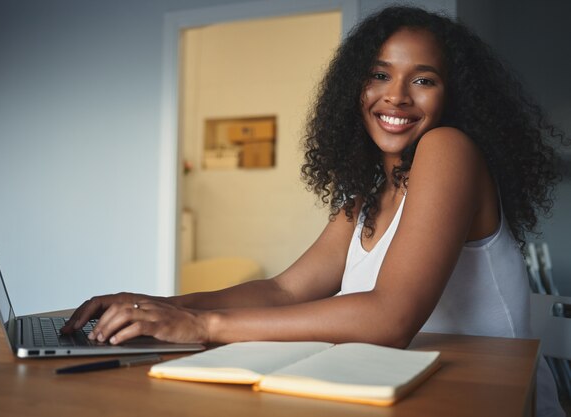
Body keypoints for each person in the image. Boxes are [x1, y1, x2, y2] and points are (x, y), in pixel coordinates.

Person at [62, 6, 565, 416]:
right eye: (379, 74)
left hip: (487, 399)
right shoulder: (369, 199)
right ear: (356, 87)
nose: (395, 95)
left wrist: (206, 327)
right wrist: (156, 307)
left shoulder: (449, 149)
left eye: (424, 80)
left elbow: (389, 318)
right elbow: (281, 291)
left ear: (454, 96)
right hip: (406, 391)